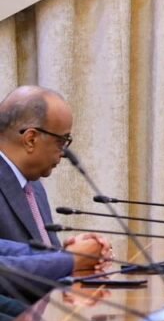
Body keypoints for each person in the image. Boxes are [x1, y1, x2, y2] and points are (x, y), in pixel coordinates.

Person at [0, 87, 110, 265]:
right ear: (31, 139)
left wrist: (69, 253)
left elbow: (37, 256)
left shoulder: (34, 187)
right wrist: (69, 259)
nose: (64, 153)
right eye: (61, 141)